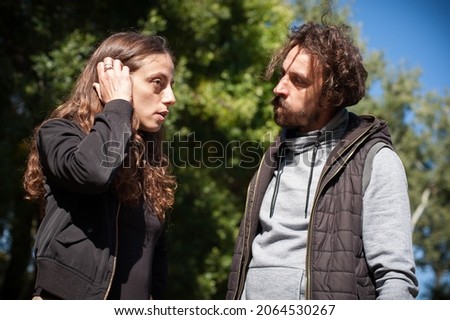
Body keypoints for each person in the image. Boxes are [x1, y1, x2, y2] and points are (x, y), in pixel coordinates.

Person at [227, 22, 419, 300]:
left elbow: (396, 279)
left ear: (331, 94)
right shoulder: (272, 158)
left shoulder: (375, 161)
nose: (279, 88)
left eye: (298, 80)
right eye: (282, 75)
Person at [23, 31, 177, 299]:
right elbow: (92, 172)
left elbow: (156, 266)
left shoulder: (150, 165)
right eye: (157, 82)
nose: (171, 97)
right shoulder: (58, 134)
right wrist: (118, 104)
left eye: (171, 84)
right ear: (114, 80)